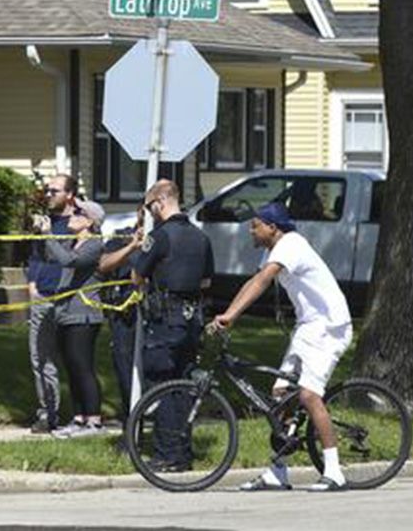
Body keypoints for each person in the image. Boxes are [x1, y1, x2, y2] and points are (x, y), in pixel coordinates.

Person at [213, 202, 352, 492]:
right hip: (309, 326)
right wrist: (228, 314)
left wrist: (232, 316)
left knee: (309, 395)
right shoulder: (274, 249)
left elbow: (263, 281)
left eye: (255, 225)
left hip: (330, 326)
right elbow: (253, 281)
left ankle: (334, 471)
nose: (250, 230)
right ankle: (278, 472)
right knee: (280, 396)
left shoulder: (290, 245)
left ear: (272, 227)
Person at [132, 179, 214, 473]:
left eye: (150, 206)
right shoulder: (200, 237)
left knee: (163, 386)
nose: (150, 212)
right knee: (185, 386)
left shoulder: (160, 237)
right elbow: (206, 282)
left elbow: (136, 276)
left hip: (164, 322)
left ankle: (168, 454)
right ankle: (184, 451)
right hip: (193, 321)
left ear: (160, 202)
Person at [38, 199, 108, 438]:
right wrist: (41, 233)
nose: (72, 216)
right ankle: (79, 419)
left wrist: (49, 236)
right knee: (71, 368)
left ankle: (94, 421)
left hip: (84, 314)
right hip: (65, 314)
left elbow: (70, 261)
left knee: (83, 366)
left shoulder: (94, 245)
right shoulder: (71, 241)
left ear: (90, 221)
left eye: (78, 213)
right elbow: (51, 256)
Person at [25, 174, 77, 433]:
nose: (48, 195)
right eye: (46, 191)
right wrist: (31, 283)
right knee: (40, 357)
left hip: (70, 299)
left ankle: (84, 415)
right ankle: (48, 413)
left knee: (76, 359)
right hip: (42, 297)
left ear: (69, 194)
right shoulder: (44, 224)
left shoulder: (78, 224)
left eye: (54, 191)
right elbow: (35, 256)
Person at [98, 212, 146, 424]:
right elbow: (104, 264)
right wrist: (131, 247)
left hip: (155, 313)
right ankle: (132, 421)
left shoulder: (165, 237)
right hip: (124, 313)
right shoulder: (122, 237)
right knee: (124, 365)